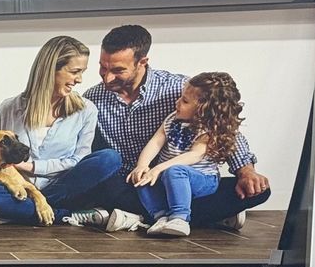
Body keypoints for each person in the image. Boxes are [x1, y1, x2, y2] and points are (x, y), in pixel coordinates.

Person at [61, 24, 271, 232]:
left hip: (180, 180)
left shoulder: (181, 90)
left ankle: (145, 218)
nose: (107, 77)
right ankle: (201, 216)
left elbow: (224, 128)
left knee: (257, 190)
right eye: (103, 68)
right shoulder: (93, 99)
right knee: (105, 187)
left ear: (142, 62)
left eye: (118, 70)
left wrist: (246, 171)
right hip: (134, 183)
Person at [0, 36, 122, 225]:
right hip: (19, 190)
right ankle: (68, 216)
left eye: (82, 72)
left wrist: (30, 167)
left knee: (109, 158)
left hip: (65, 187)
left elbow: (79, 160)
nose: (80, 80)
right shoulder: (11, 107)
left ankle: (19, 212)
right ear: (51, 70)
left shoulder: (86, 109)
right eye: (75, 71)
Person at [126, 72, 243, 238]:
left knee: (175, 171)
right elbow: (155, 142)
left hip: (202, 180)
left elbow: (194, 155)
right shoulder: (173, 119)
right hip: (166, 176)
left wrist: (159, 168)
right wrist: (143, 165)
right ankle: (161, 217)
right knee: (141, 178)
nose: (177, 102)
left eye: (185, 101)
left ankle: (180, 218)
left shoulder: (208, 130)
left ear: (204, 108)